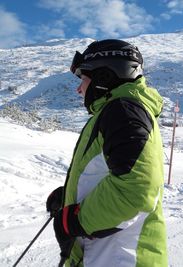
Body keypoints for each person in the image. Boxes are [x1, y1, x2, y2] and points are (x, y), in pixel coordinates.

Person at [46, 39, 168, 267]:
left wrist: (76, 220)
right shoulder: (116, 111)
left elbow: (136, 189)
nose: (79, 89)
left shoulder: (123, 112)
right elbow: (112, 171)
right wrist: (71, 195)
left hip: (121, 259)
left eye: (83, 79)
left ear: (104, 77)